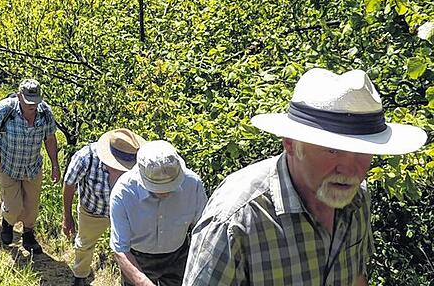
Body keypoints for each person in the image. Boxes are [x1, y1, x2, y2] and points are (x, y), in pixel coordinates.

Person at [182, 68, 428, 285]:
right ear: (290, 144)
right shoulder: (235, 220)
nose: (351, 170)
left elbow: (353, 276)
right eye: (333, 150)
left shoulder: (357, 199)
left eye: (363, 152)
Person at [0, 79, 60, 254]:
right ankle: (8, 223)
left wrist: (55, 165)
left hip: (32, 167)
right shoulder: (4, 109)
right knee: (13, 207)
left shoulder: (45, 112)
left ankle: (28, 236)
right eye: (29, 102)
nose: (32, 106)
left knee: (32, 206)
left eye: (35, 102)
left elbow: (50, 139)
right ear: (19, 96)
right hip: (7, 166)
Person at [110, 140, 207, 286]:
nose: (166, 192)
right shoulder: (123, 193)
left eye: (170, 186)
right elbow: (121, 249)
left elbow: (203, 230)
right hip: (137, 258)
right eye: (158, 187)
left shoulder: (192, 184)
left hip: (178, 256)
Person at [63, 129, 147, 286]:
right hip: (93, 211)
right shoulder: (86, 157)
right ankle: (80, 276)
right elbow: (69, 184)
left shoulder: (143, 162)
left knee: (133, 249)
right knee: (84, 244)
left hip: (127, 212)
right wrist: (67, 217)